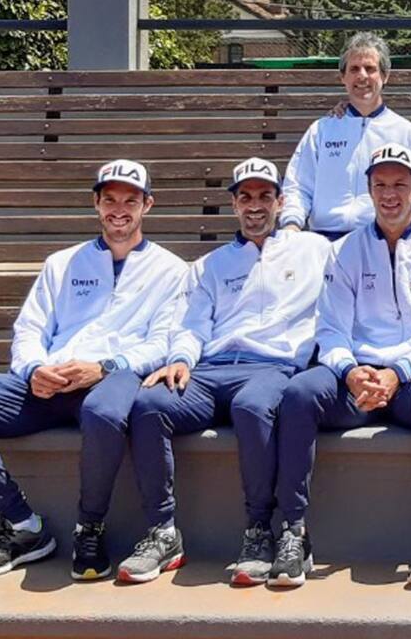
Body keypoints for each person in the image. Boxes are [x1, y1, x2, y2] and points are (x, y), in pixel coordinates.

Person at [0, 160, 186, 580]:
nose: (119, 209)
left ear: (147, 205)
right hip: (51, 379)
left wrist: (103, 367)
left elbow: (163, 343)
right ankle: (23, 525)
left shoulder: (172, 270)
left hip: (113, 377)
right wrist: (33, 369)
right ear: (96, 204)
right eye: (109, 200)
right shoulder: (62, 263)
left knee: (102, 414)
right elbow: (30, 328)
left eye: (130, 200)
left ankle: (90, 526)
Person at [118, 158, 334, 586]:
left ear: (281, 201)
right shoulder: (211, 265)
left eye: (264, 196)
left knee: (252, 406)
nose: (255, 206)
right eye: (245, 197)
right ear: (233, 205)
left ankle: (261, 531)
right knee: (148, 405)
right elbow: (192, 324)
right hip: (211, 369)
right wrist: (180, 358)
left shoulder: (316, 249)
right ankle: (163, 532)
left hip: (272, 366)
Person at [270, 143, 411, 589]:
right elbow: (331, 328)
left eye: (400, 184)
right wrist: (349, 370)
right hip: (357, 379)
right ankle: (294, 530)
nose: (390, 194)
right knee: (299, 394)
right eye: (380, 185)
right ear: (368, 190)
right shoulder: (344, 250)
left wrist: (398, 371)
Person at [279, 31, 411, 239]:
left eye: (370, 69)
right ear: (343, 77)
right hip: (324, 239)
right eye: (354, 69)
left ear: (385, 76)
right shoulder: (321, 131)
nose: (362, 76)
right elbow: (297, 186)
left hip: (382, 241)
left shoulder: (407, 133)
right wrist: (291, 226)